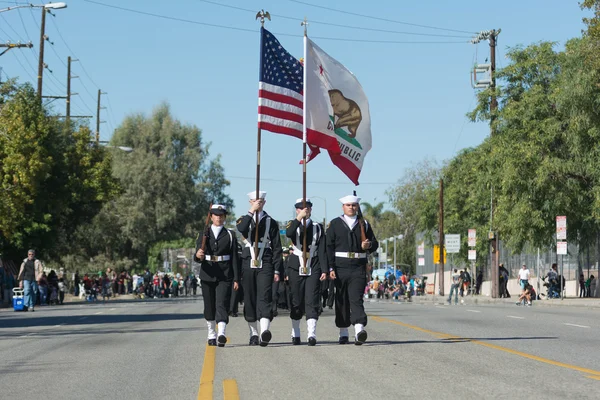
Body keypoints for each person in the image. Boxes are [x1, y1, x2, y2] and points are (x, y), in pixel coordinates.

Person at [326, 194, 378, 345]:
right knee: (341, 300)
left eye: (354, 205)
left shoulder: (364, 224)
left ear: (357, 207)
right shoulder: (335, 224)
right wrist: (330, 267)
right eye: (348, 205)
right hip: (340, 265)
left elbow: (375, 244)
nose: (351, 207)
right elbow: (328, 247)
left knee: (356, 298)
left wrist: (368, 245)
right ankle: (343, 332)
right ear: (343, 207)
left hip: (358, 265)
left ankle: (359, 330)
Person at [237, 191, 283, 347]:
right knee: (249, 298)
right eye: (256, 201)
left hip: (266, 260)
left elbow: (277, 247)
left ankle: (264, 332)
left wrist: (277, 269)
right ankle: (254, 333)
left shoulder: (271, 221)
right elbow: (242, 229)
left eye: (262, 201)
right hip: (248, 260)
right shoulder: (244, 219)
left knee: (264, 296)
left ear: (265, 202)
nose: (259, 203)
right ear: (250, 202)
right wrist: (251, 213)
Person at [195, 204, 240, 347]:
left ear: (225, 217)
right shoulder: (203, 234)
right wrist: (198, 255)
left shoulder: (230, 235)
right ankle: (211, 334)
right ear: (211, 217)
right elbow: (197, 255)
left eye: (221, 215)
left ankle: (221, 333)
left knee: (222, 304)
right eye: (216, 215)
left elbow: (234, 258)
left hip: (224, 274)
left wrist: (236, 278)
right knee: (209, 306)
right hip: (207, 273)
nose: (218, 218)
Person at [285, 198, 327, 346]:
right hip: (296, 264)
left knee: (312, 299)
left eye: (308, 208)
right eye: (302, 208)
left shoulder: (318, 227)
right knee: (296, 299)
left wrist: (324, 269)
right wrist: (299, 218)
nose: (305, 210)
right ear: (297, 210)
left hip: (313, 263)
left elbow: (322, 249)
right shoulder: (292, 223)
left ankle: (311, 334)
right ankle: (296, 333)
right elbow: (289, 233)